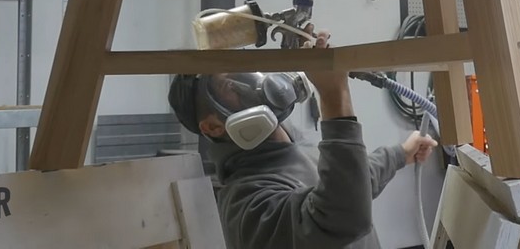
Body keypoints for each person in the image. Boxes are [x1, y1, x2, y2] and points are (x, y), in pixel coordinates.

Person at [168, 30, 438, 249]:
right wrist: (334, 94)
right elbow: (343, 214)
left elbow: (352, 180)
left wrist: (401, 153)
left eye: (245, 70)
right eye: (230, 84)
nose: (252, 83)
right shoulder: (246, 204)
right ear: (213, 127)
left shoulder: (292, 150)